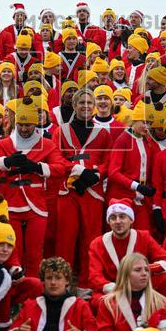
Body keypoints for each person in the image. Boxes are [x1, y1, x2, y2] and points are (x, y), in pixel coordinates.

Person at [0, 96, 68, 276]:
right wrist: (6, 161)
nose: (24, 129)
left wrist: (37, 167)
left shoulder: (46, 144)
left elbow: (60, 167)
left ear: (35, 124)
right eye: (20, 125)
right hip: (10, 203)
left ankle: (31, 292)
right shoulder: (5, 144)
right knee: (13, 253)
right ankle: (13, 291)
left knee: (33, 254)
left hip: (36, 205)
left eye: (28, 125)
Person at [54, 89, 113, 289]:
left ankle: (89, 285)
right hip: (67, 190)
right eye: (82, 103)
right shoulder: (60, 131)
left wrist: (94, 175)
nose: (86, 106)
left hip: (92, 191)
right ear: (75, 105)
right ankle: (62, 284)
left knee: (91, 239)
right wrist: (78, 170)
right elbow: (56, 159)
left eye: (89, 103)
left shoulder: (103, 133)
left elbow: (108, 161)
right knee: (66, 239)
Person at [88, 199, 166, 308]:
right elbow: (94, 276)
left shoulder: (143, 237)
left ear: (131, 220)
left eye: (122, 216)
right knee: (97, 301)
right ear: (109, 222)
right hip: (114, 287)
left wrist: (143, 269)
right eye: (113, 218)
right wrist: (116, 288)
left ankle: (162, 316)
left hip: (140, 283)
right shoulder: (98, 243)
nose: (117, 221)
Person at [106, 102, 159, 232]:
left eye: (150, 123)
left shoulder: (148, 141)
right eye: (144, 122)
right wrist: (137, 186)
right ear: (135, 120)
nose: (147, 127)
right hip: (122, 196)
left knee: (143, 235)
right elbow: (113, 172)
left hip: (141, 198)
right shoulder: (123, 139)